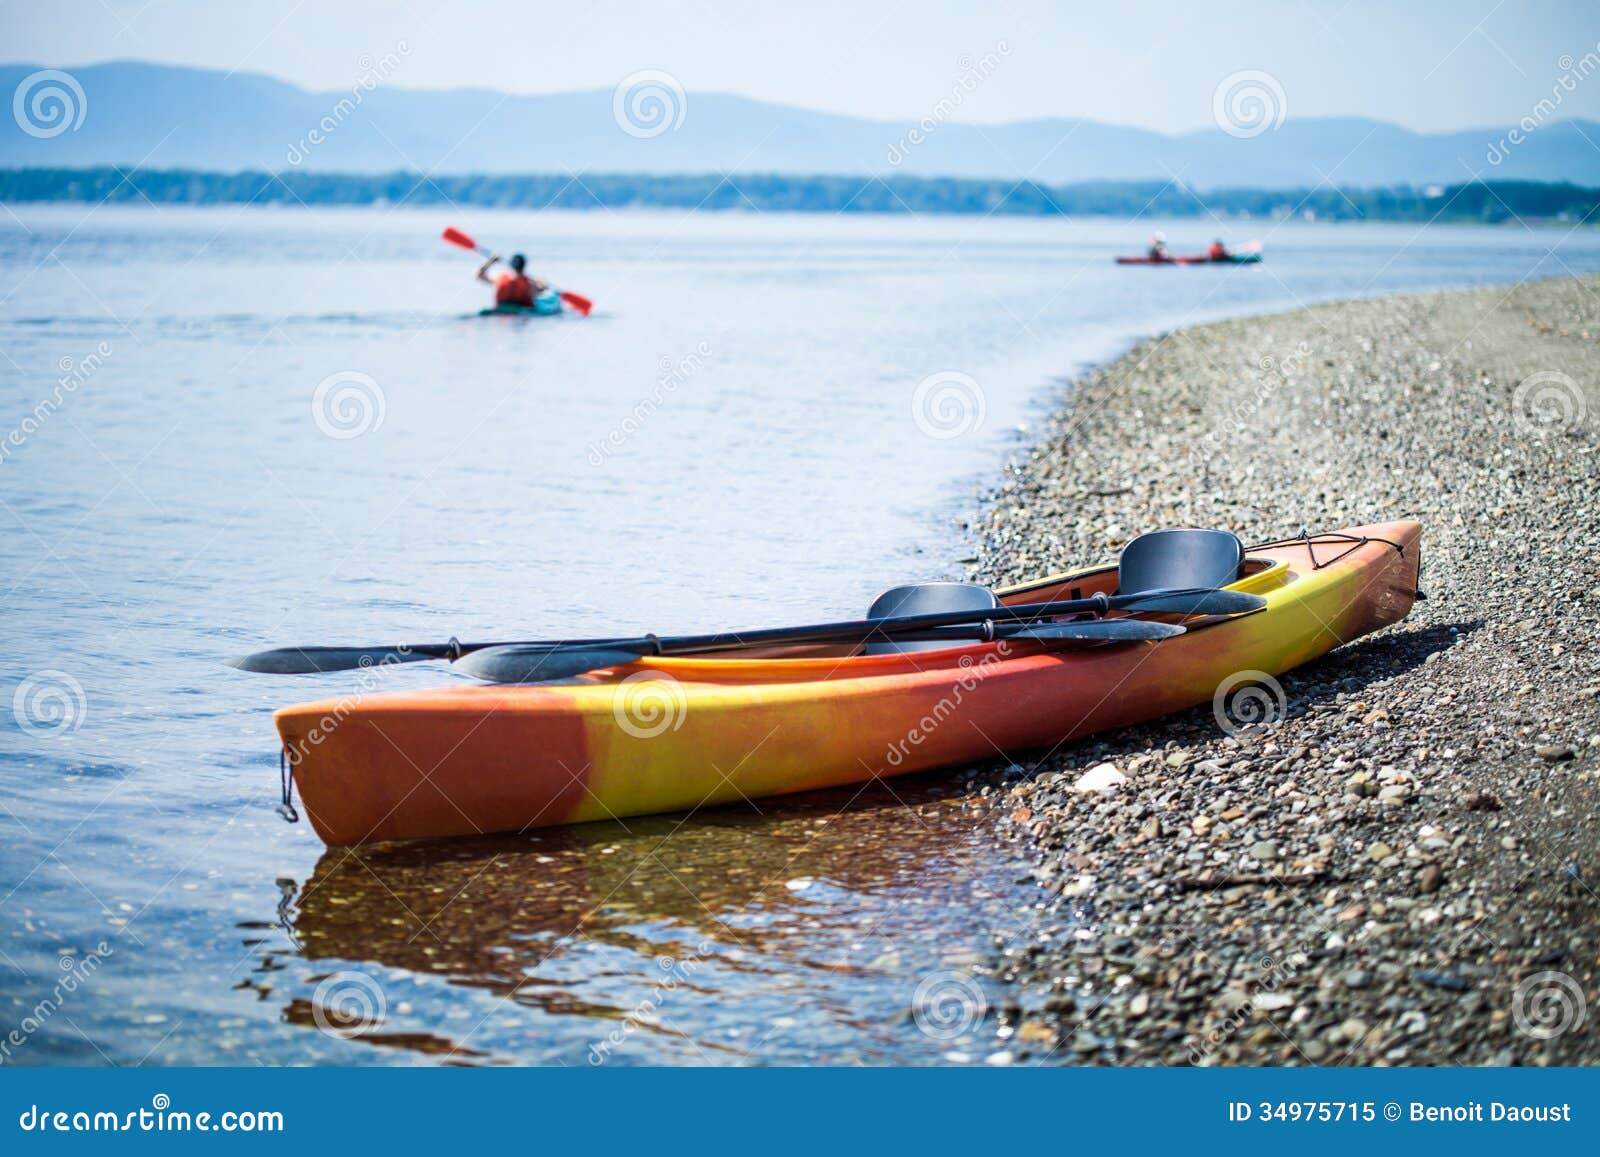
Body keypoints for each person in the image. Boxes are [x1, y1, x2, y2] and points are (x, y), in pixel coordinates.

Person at [476, 252, 547, 307]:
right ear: (524, 266)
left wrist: (491, 261)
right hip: (522, 311)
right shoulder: (529, 283)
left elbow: (479, 274)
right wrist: (542, 284)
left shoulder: (499, 277)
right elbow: (541, 289)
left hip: (501, 312)